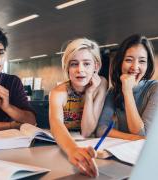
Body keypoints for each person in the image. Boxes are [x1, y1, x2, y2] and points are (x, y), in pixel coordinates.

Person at [49, 38, 108, 177]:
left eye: (86, 64)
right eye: (74, 64)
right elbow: (56, 123)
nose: (80, 70)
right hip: (63, 147)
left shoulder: (101, 85)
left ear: (96, 66)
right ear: (67, 68)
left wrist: (89, 94)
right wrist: (73, 150)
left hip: (89, 146)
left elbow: (87, 131)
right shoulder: (58, 92)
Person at [96, 34, 158, 140]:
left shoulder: (157, 89)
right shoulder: (113, 91)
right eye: (129, 60)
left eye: (142, 61)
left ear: (148, 65)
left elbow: (143, 133)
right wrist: (133, 138)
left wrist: (127, 91)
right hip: (123, 150)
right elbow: (101, 130)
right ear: (120, 63)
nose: (135, 67)